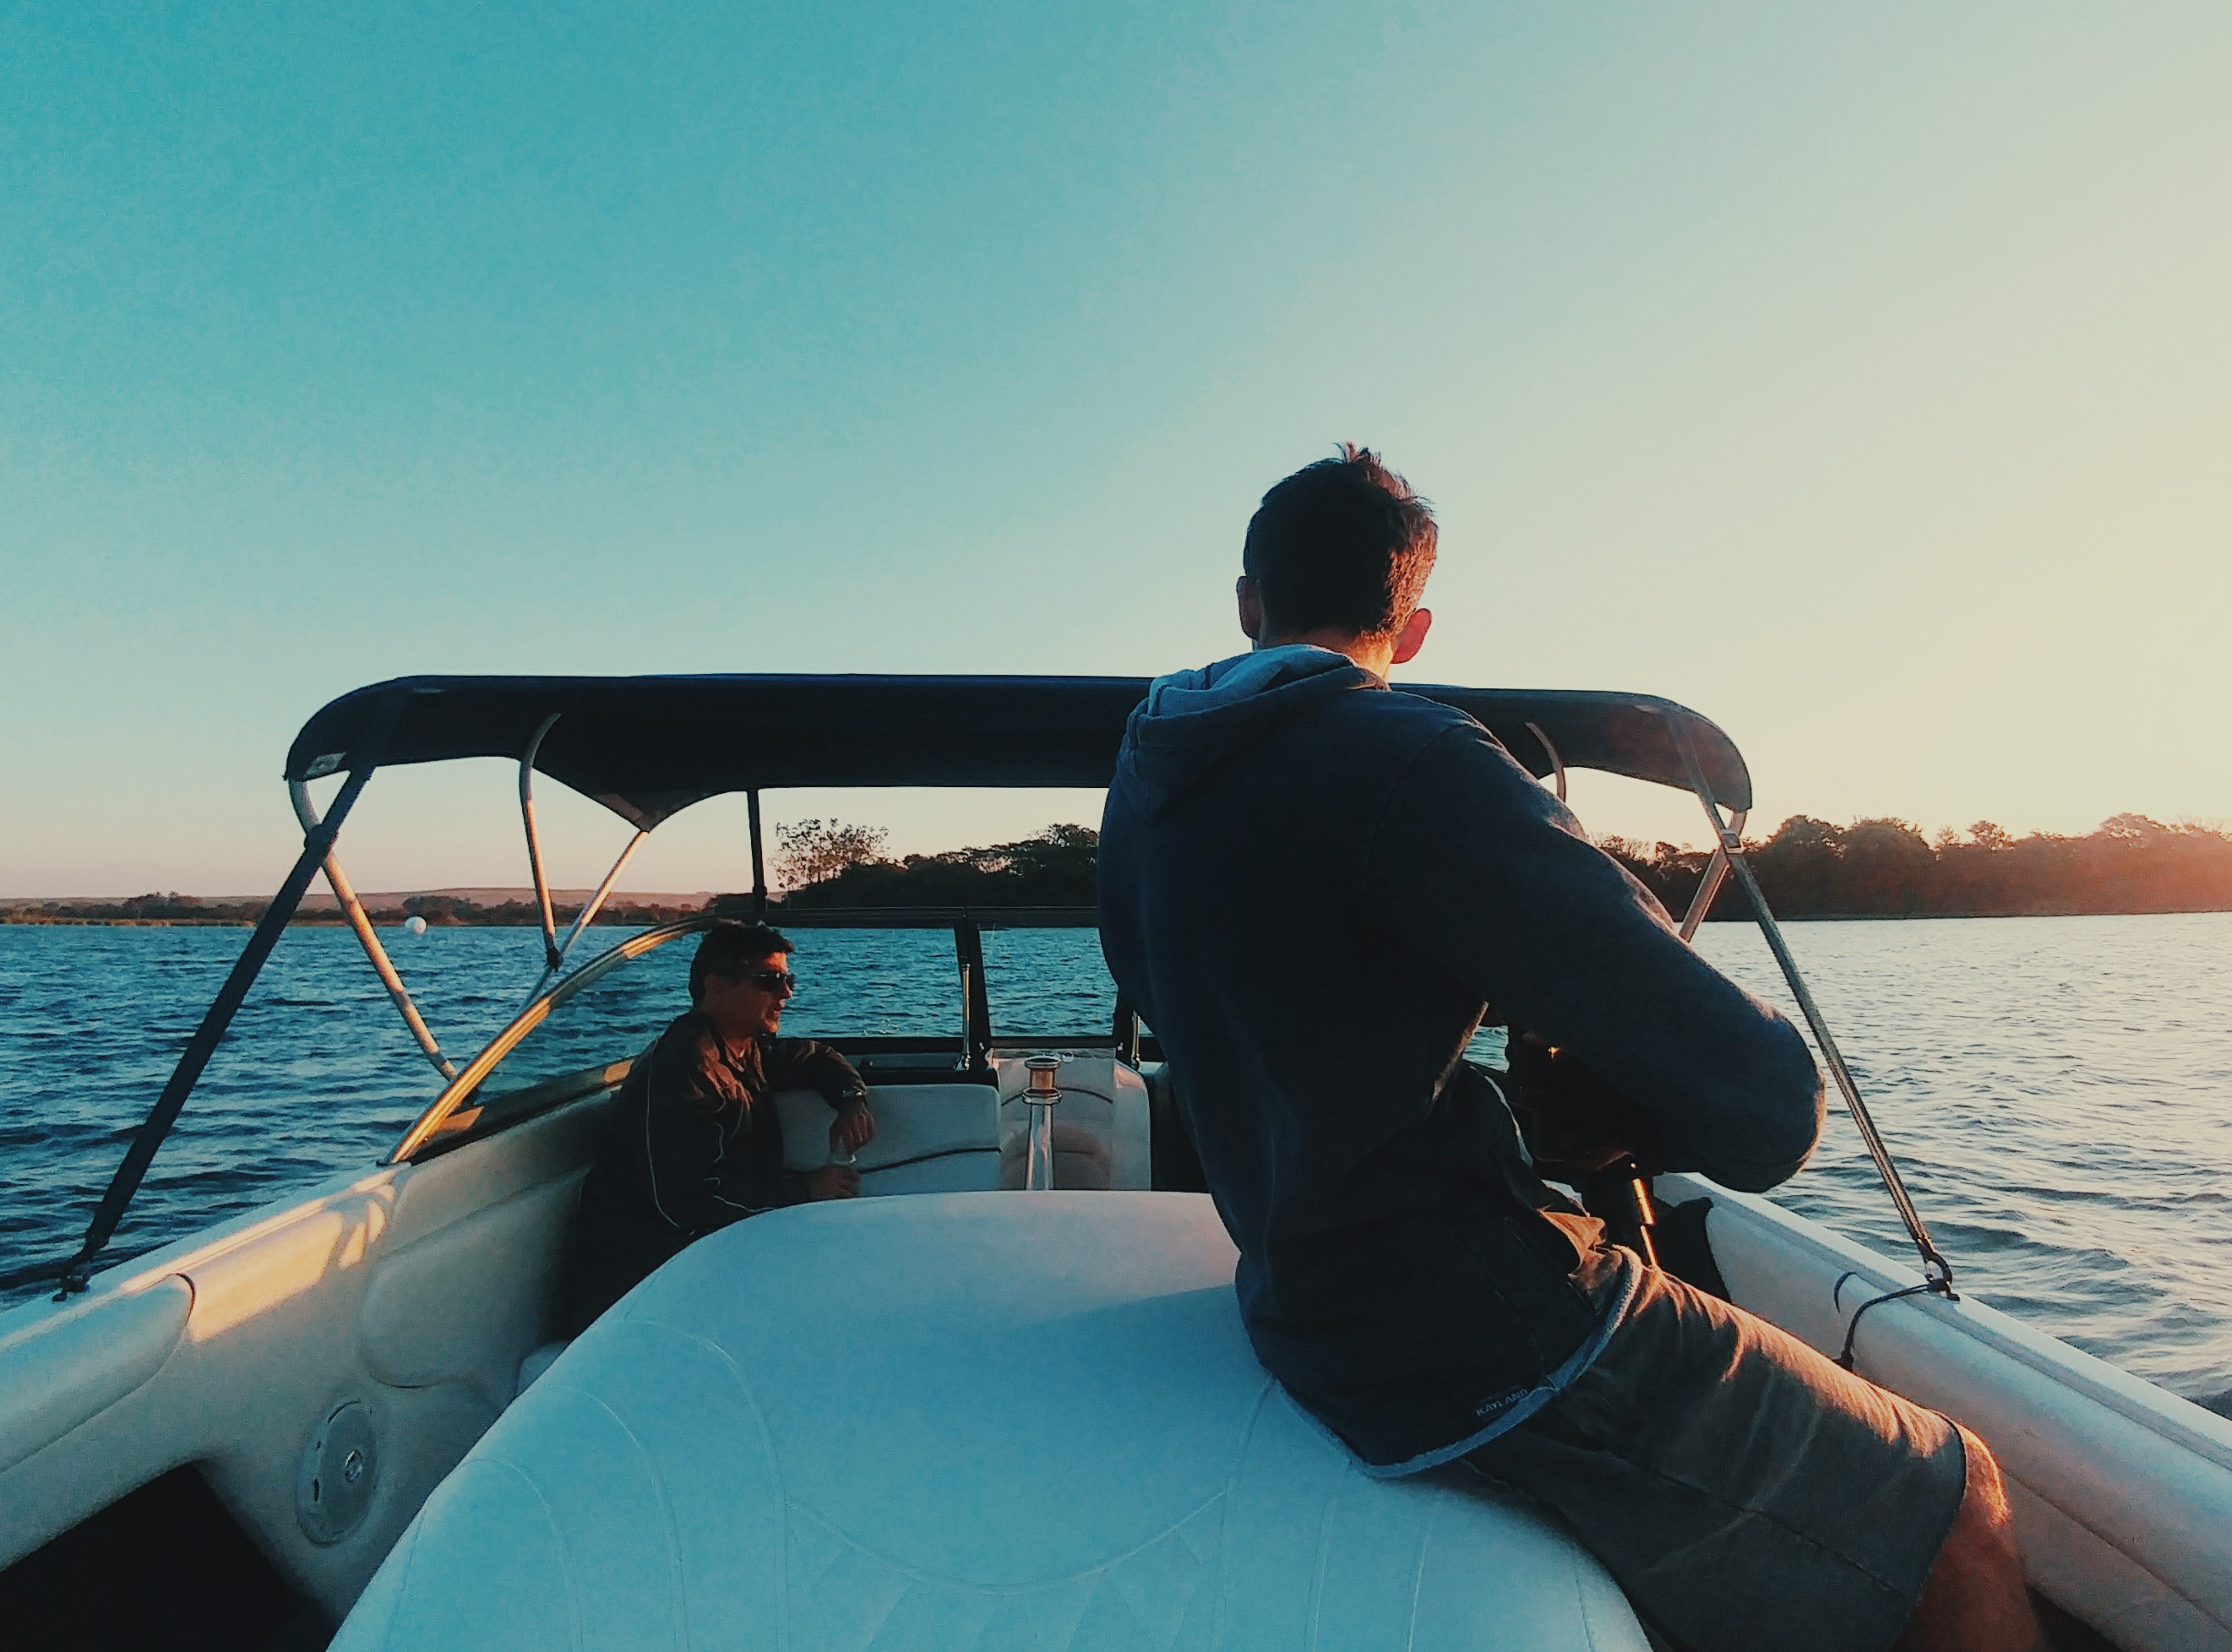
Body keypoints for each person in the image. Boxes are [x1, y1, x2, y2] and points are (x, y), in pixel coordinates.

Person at [1097, 449, 2044, 1652]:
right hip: (1490, 1340)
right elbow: (1764, 1111)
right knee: (1960, 1501)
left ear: (1248, 603)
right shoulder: (1414, 760)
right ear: (1417, 626)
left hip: (1302, 1310)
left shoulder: (1149, 778)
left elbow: (1210, 1008)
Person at [556, 921, 877, 1335]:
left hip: (694, 1256)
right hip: (634, 1285)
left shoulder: (738, 1049)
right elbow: (686, 1201)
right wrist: (805, 1189)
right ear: (717, 987)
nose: (786, 993)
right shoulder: (686, 1069)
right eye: (769, 980)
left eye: (787, 979)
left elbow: (810, 1057)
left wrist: (851, 1098)